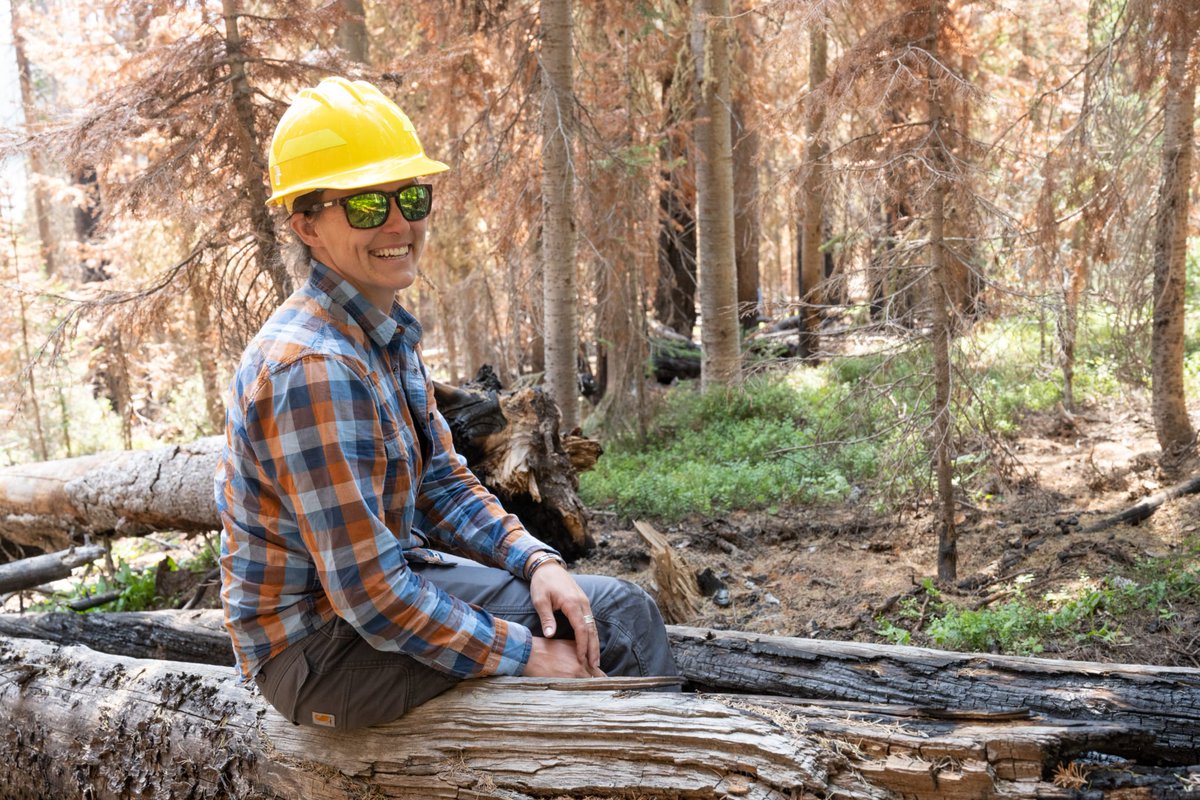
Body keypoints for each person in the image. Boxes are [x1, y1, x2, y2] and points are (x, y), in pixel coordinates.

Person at [215, 76, 678, 730]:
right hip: (319, 649)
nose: (400, 222)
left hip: (376, 599)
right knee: (615, 628)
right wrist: (526, 655)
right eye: (367, 207)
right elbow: (370, 597)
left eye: (411, 195)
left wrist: (536, 559)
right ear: (306, 225)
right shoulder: (312, 368)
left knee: (601, 613)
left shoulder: (380, 330)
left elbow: (442, 480)